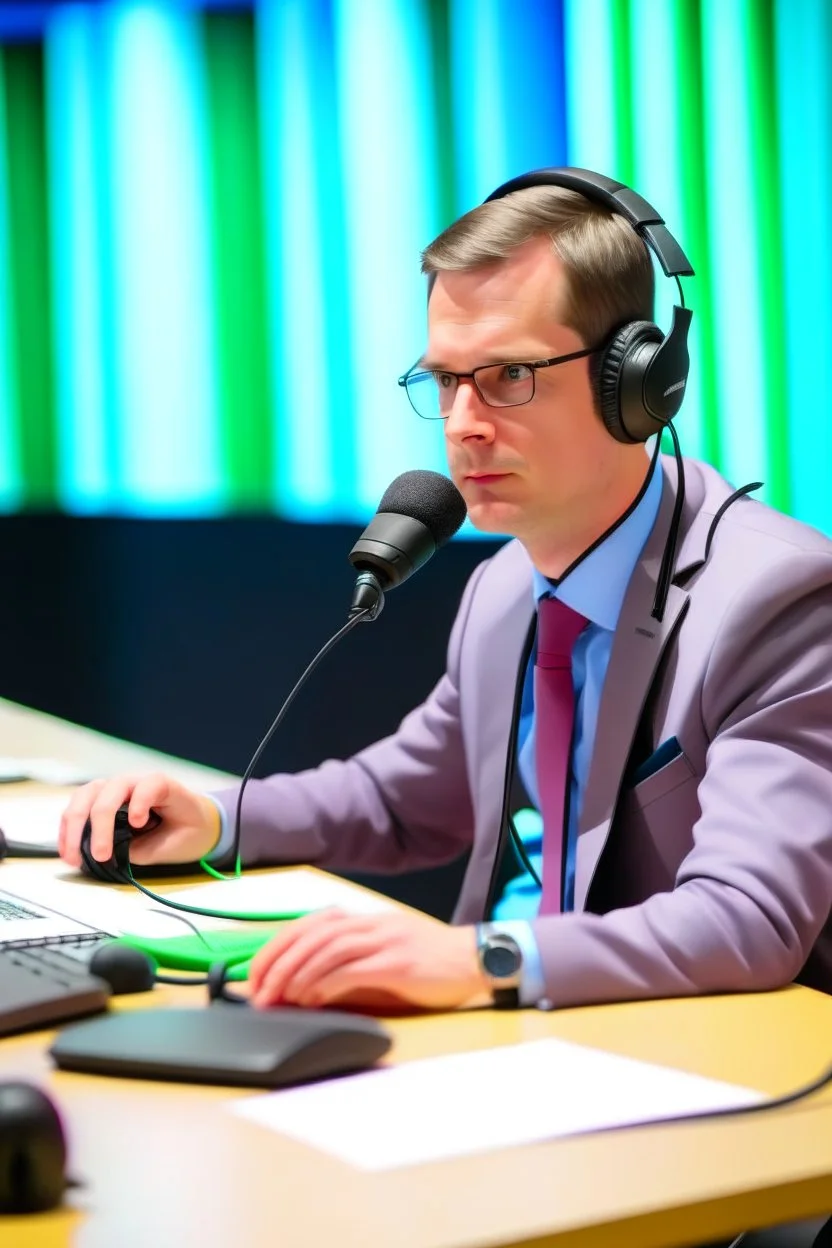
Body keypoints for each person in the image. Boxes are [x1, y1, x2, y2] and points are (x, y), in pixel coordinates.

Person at [58, 170, 832, 1017]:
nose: (463, 421)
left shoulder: (775, 598)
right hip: (518, 1031)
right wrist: (213, 817)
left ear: (638, 384)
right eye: (445, 380)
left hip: (674, 1045)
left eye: (508, 375)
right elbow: (400, 802)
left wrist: (478, 960)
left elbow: (749, 919)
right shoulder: (505, 586)